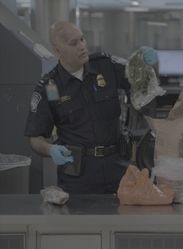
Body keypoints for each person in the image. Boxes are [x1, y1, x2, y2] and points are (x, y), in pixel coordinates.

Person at [24, 21, 130, 194]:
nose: (82, 46)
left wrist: (144, 63)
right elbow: (35, 138)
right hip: (78, 177)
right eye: (74, 43)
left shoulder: (105, 66)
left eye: (82, 39)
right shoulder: (51, 88)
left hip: (118, 169)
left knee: (122, 220)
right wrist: (51, 149)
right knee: (79, 221)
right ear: (57, 50)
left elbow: (139, 78)